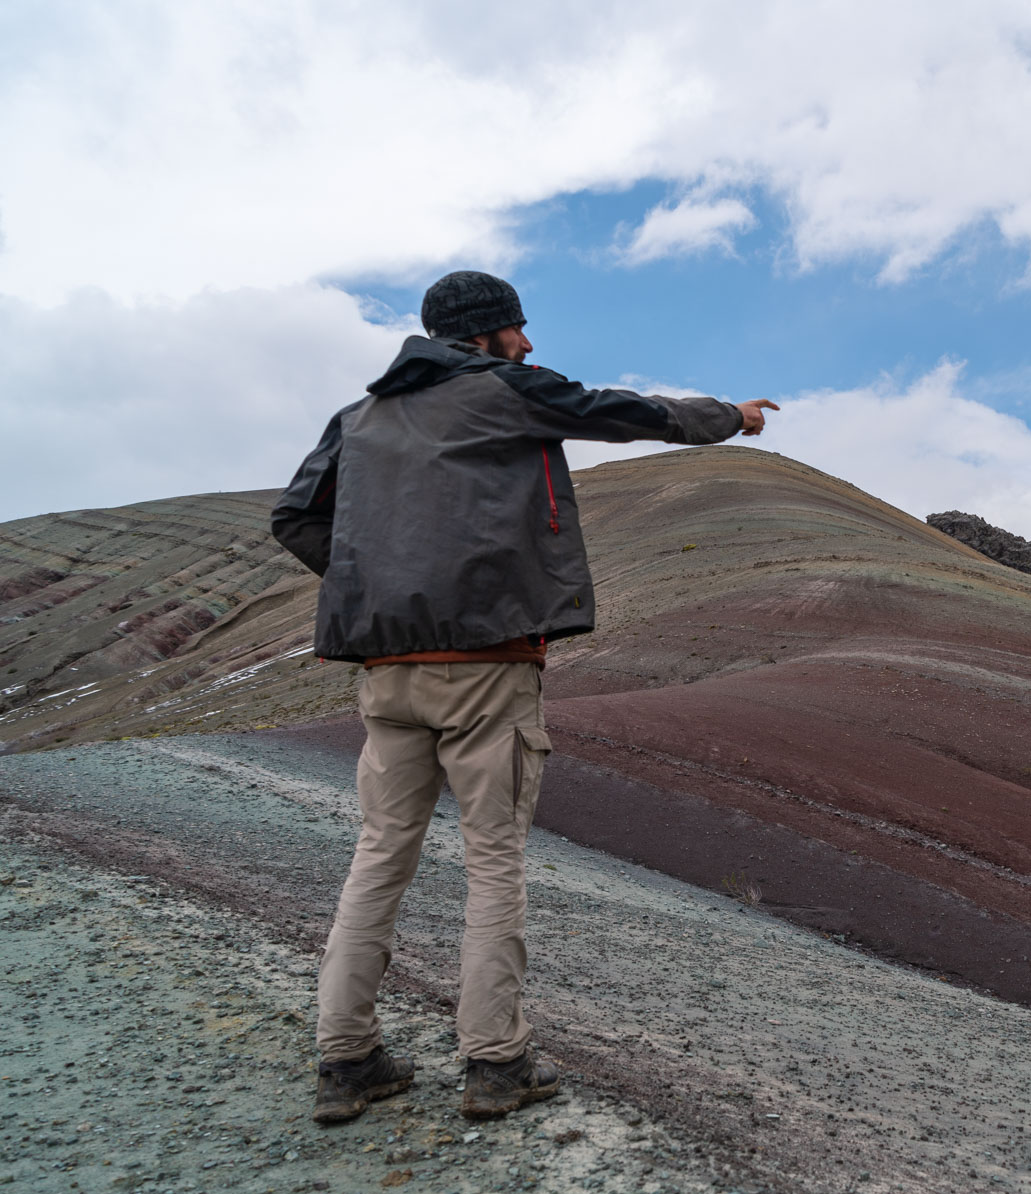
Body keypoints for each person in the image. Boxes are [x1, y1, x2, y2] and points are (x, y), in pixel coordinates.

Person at [271, 270, 778, 1123]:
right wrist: (732, 417)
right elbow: (625, 412)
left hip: (387, 674)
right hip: (488, 668)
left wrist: (387, 584)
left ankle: (346, 1059)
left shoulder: (356, 418)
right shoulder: (504, 390)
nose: (530, 343)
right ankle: (496, 1061)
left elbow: (294, 516)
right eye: (518, 328)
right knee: (493, 859)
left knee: (378, 856)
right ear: (484, 334)